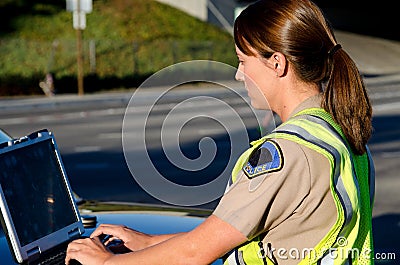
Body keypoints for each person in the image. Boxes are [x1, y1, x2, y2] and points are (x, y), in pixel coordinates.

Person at [65, 0, 375, 264]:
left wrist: (107, 261)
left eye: (243, 61)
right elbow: (236, 232)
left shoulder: (288, 152)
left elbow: (196, 254)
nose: (240, 75)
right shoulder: (342, 133)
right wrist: (148, 243)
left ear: (277, 64)